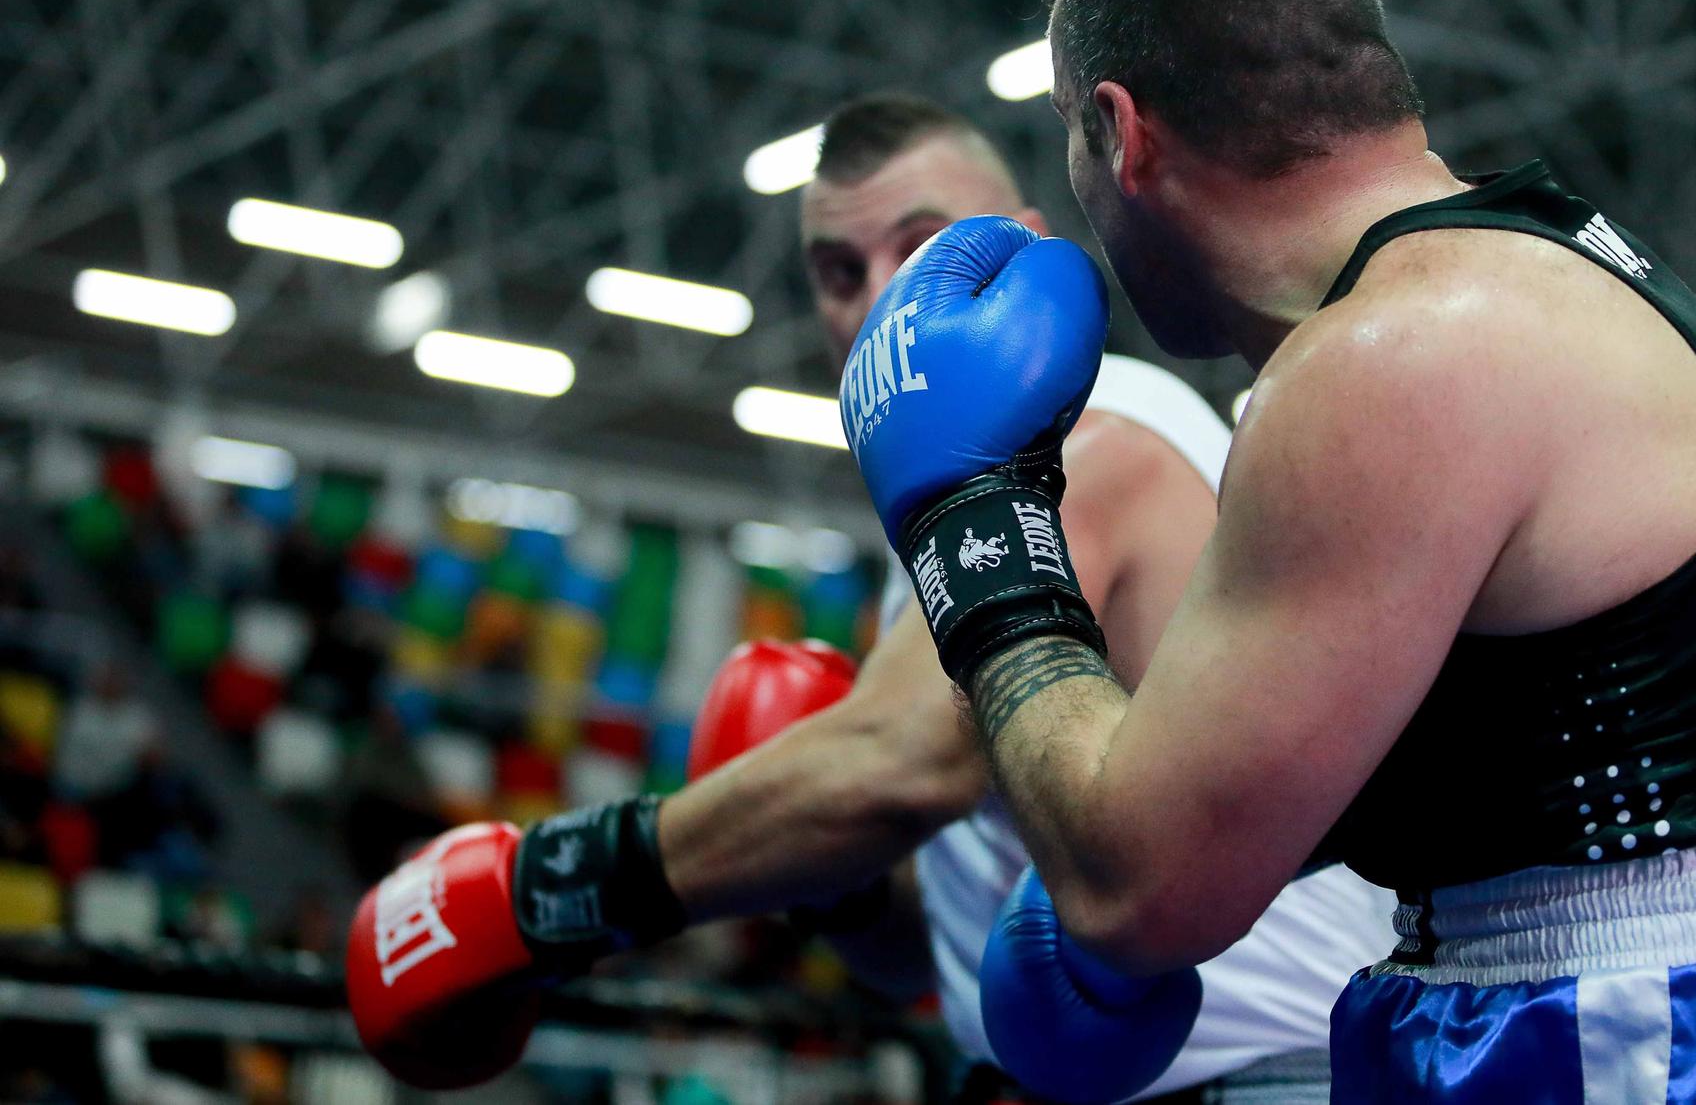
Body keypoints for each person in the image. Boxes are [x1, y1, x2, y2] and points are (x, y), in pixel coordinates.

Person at [839, 0, 1696, 1102]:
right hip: (1626, 999)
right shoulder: (1518, 272)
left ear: (1119, 133)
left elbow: (1135, 889)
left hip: (1651, 1026)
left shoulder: (1390, 357)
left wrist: (969, 523)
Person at [345, 91, 1396, 1101]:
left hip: (1254, 1079)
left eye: (921, 245)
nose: (879, 295)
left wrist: (542, 890)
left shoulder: (1089, 436)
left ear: (1016, 250)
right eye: (838, 270)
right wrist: (836, 886)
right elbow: (921, 959)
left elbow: (900, 762)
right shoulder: (945, 513)